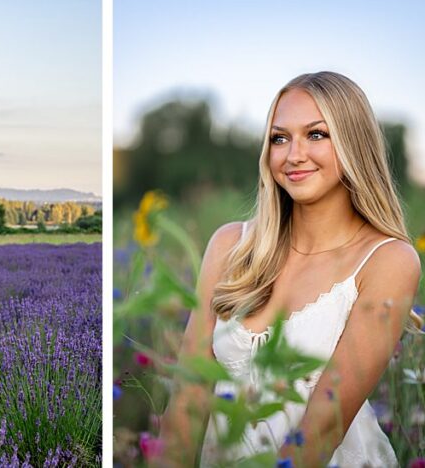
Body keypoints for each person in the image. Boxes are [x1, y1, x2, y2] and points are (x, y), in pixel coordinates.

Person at [159, 72, 421, 466]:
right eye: (280, 138)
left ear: (353, 142)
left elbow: (321, 430)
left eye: (316, 134)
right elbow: (187, 399)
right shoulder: (230, 246)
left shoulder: (387, 260)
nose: (293, 155)